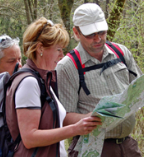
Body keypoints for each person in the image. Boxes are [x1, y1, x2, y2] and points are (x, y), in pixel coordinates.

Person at [5, 17, 102, 157]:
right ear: (40, 48)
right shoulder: (29, 83)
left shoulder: (43, 80)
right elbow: (29, 138)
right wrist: (75, 129)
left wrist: (87, 118)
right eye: (58, 50)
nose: (62, 55)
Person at [56, 3, 142, 157]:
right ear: (76, 32)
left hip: (127, 145)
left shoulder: (121, 52)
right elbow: (63, 117)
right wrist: (92, 118)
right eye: (90, 34)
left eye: (102, 32)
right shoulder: (67, 67)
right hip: (93, 148)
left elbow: (139, 88)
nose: (98, 38)